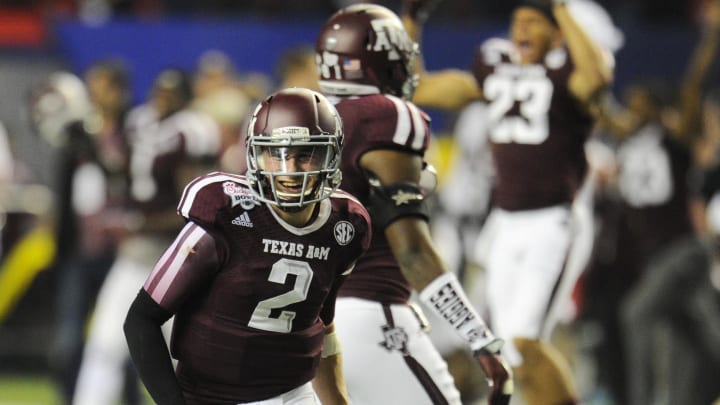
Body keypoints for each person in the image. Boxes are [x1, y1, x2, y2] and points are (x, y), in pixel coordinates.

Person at [402, 0, 612, 404]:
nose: (522, 29)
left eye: (534, 21)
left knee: (524, 342)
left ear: (556, 32)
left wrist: (562, 9)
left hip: (554, 220)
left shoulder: (569, 70)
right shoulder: (495, 68)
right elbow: (419, 86)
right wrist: (413, 22)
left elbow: (597, 78)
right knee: (503, 344)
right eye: (517, 21)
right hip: (504, 220)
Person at [315, 4, 512, 405]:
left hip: (305, 328)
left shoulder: (309, 116)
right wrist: (479, 337)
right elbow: (413, 250)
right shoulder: (386, 117)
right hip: (372, 316)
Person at [123, 87, 372, 405]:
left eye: (306, 154)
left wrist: (338, 401)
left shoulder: (346, 225)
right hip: (213, 397)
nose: (289, 169)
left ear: (331, 155)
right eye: (277, 153)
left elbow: (321, 324)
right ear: (255, 154)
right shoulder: (225, 213)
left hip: (294, 393)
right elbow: (141, 318)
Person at [72, 67, 222, 405]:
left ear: (185, 98)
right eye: (160, 92)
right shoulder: (141, 122)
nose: (163, 100)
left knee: (180, 354)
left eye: (172, 94)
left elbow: (195, 204)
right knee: (104, 344)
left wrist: (139, 222)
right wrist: (93, 151)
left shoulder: (193, 128)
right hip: (137, 253)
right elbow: (123, 174)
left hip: (177, 254)